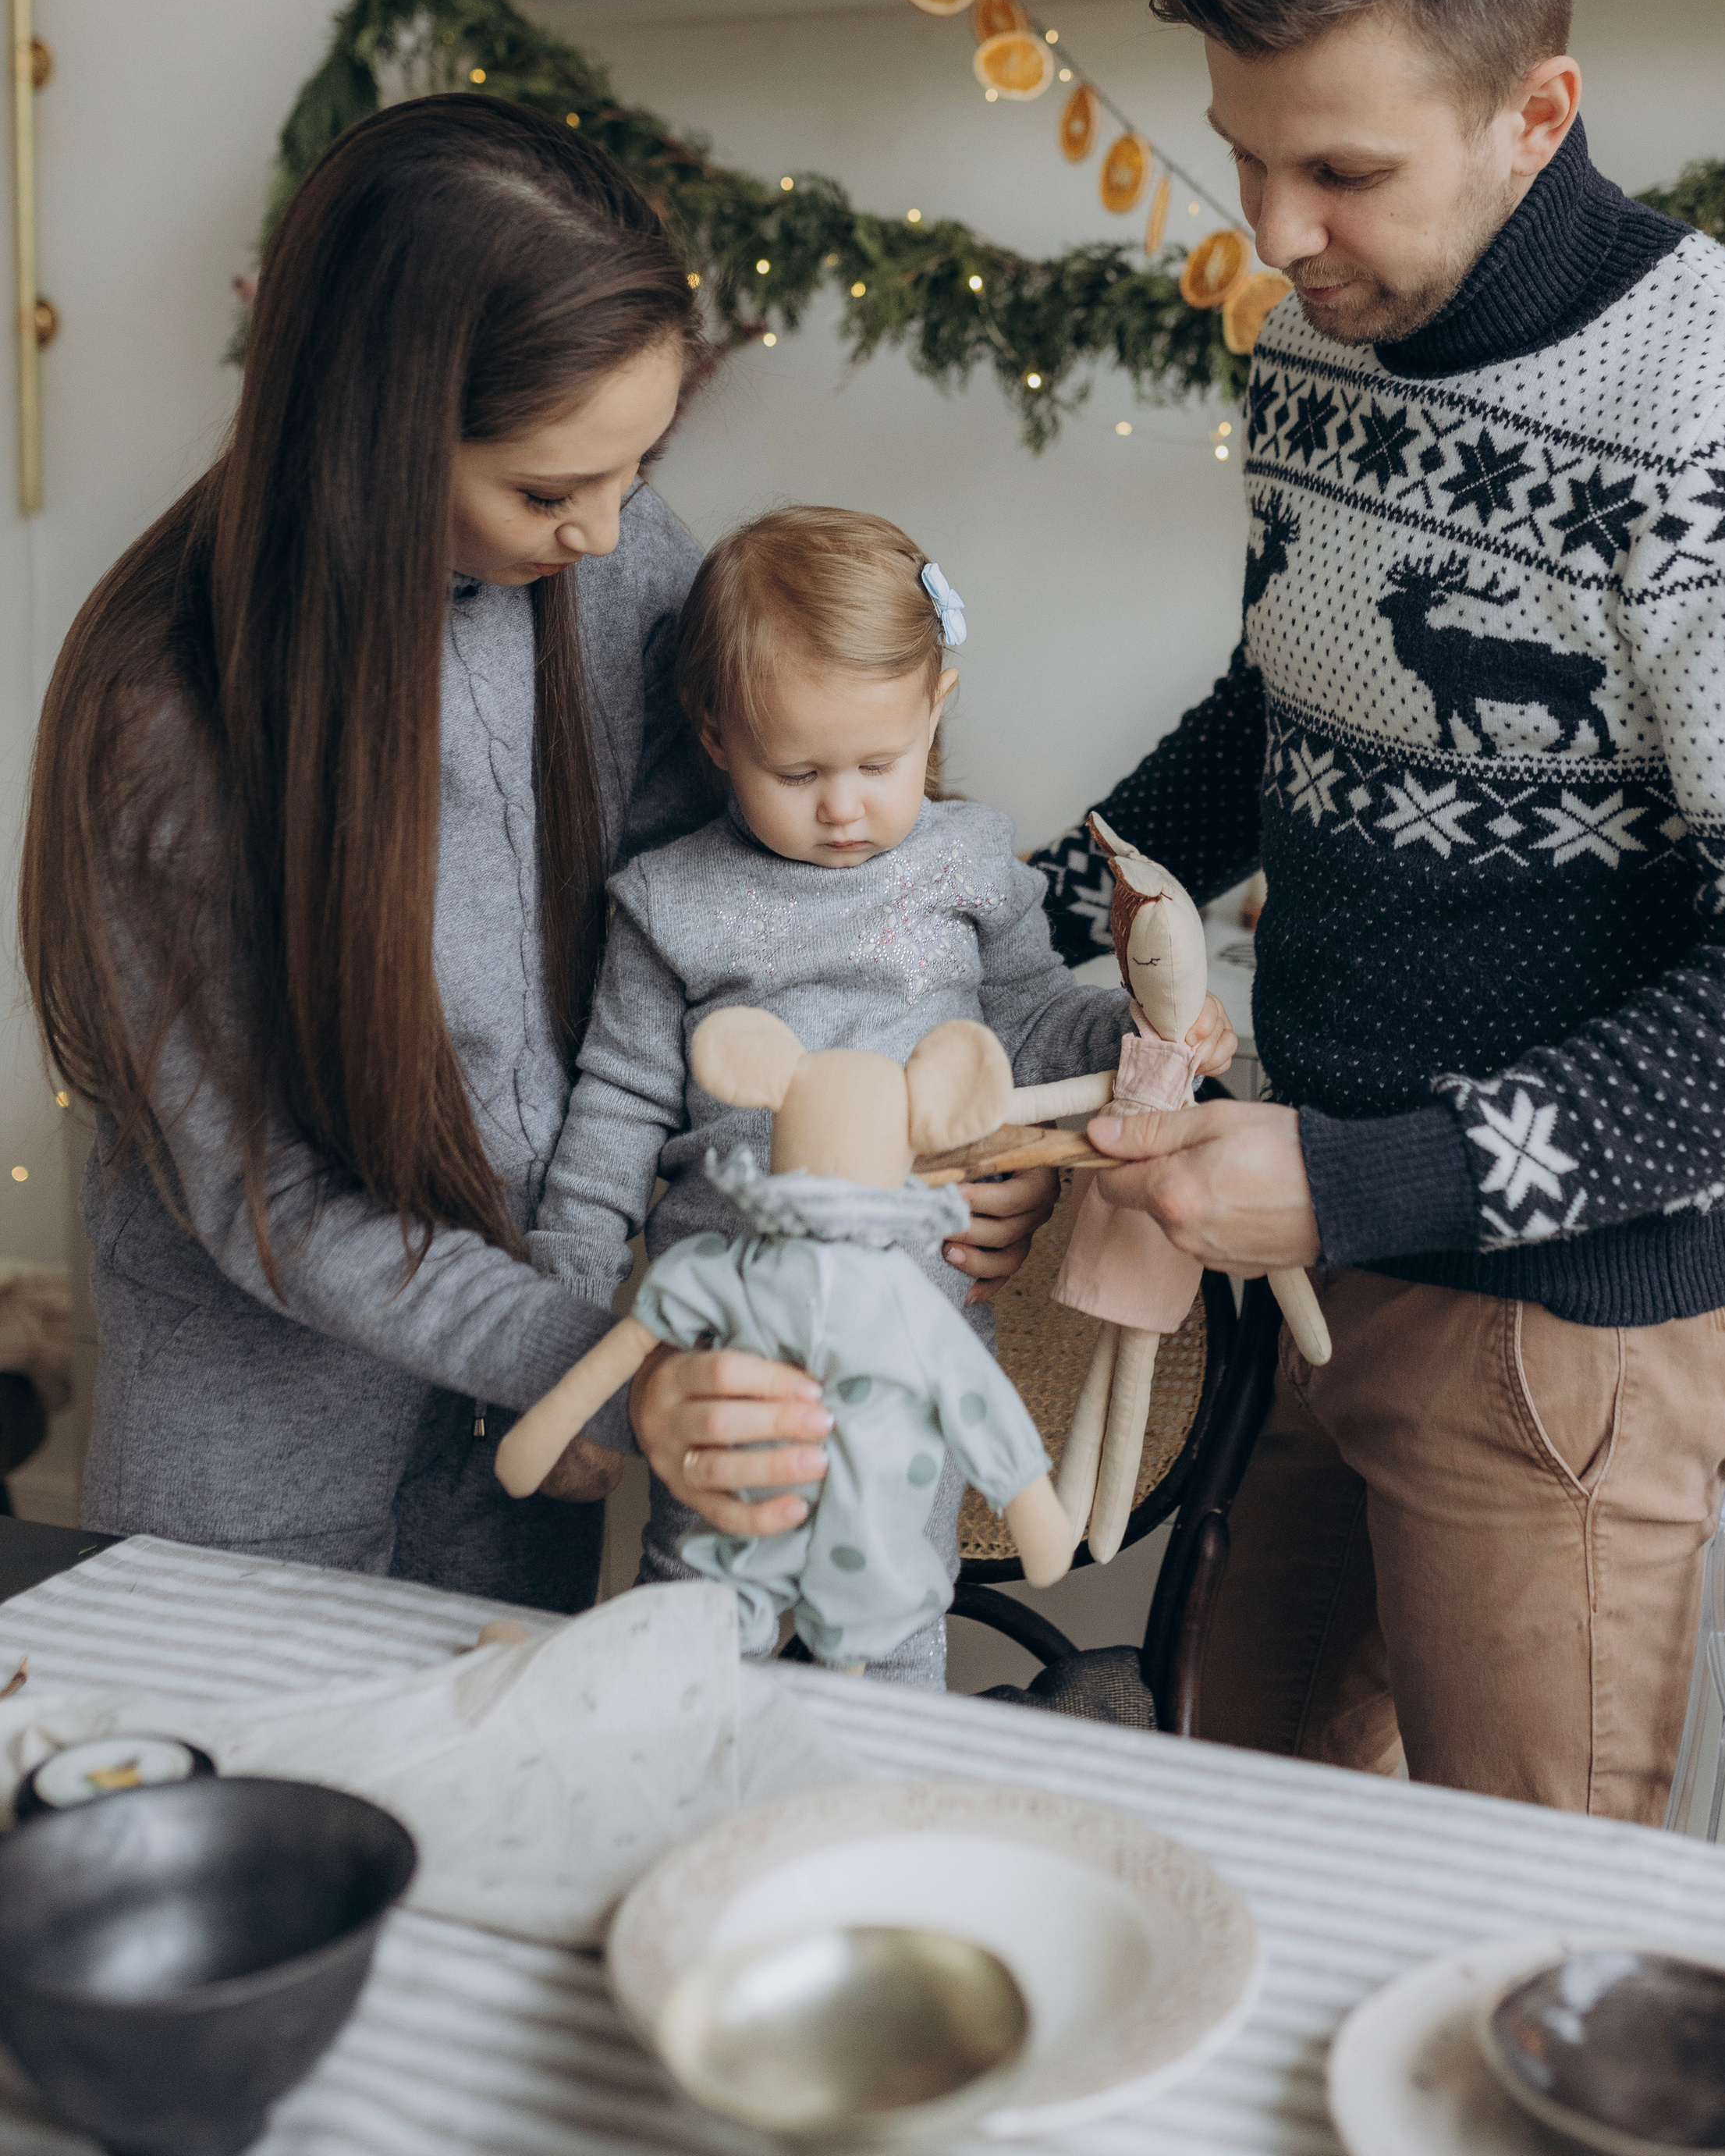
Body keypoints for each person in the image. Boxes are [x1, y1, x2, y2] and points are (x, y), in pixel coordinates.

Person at [1031, 0, 1725, 1819]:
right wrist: (1010, 925)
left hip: (1573, 1348)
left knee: (1535, 1949)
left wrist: (1356, 1182)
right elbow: (1292, 709)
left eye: (1341, 168)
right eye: (1242, 157)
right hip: (1304, 1270)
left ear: (1538, 114)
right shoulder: (1315, 342)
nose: (1271, 234)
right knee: (1232, 1840)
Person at [20, 101, 1049, 1606]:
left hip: (532, 1434)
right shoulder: (163, 719)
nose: (614, 532)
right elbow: (274, 1203)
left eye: (639, 467)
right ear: (373, 444)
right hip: (260, 1461)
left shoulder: (616, 563)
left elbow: (759, 929)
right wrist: (595, 1363)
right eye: (551, 491)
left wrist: (933, 1139)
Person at [526, 504, 1233, 1678]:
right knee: (701, 1613)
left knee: (898, 1610)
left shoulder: (964, 867)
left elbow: (1037, 1025)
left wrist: (1141, 1025)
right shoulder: (669, 903)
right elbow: (609, 1124)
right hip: (732, 1347)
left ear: (935, 711)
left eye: (878, 764)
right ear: (713, 733)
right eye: (796, 770)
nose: (844, 806)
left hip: (914, 1344)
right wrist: (564, 1319)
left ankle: (884, 1804)